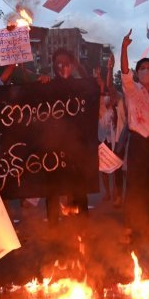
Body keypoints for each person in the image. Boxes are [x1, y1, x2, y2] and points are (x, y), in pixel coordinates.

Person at [120, 29, 149, 244]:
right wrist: (124, 48)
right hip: (137, 142)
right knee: (135, 185)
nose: (146, 71)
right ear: (137, 73)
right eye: (142, 68)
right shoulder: (132, 90)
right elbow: (124, 72)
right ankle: (129, 226)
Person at [44, 48, 90, 225]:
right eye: (58, 63)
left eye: (66, 63)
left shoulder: (79, 86)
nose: (62, 66)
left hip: (76, 144)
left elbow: (89, 83)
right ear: (53, 66)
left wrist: (78, 65)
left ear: (72, 65)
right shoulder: (48, 85)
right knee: (53, 185)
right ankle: (53, 224)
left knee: (79, 184)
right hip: (53, 143)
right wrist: (40, 82)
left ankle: (83, 222)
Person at [96, 55, 126, 207]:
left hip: (117, 139)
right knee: (104, 167)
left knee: (117, 169)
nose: (109, 95)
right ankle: (108, 193)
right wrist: (108, 69)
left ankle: (118, 195)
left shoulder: (122, 100)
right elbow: (106, 86)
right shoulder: (105, 101)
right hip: (104, 138)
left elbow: (108, 85)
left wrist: (109, 69)